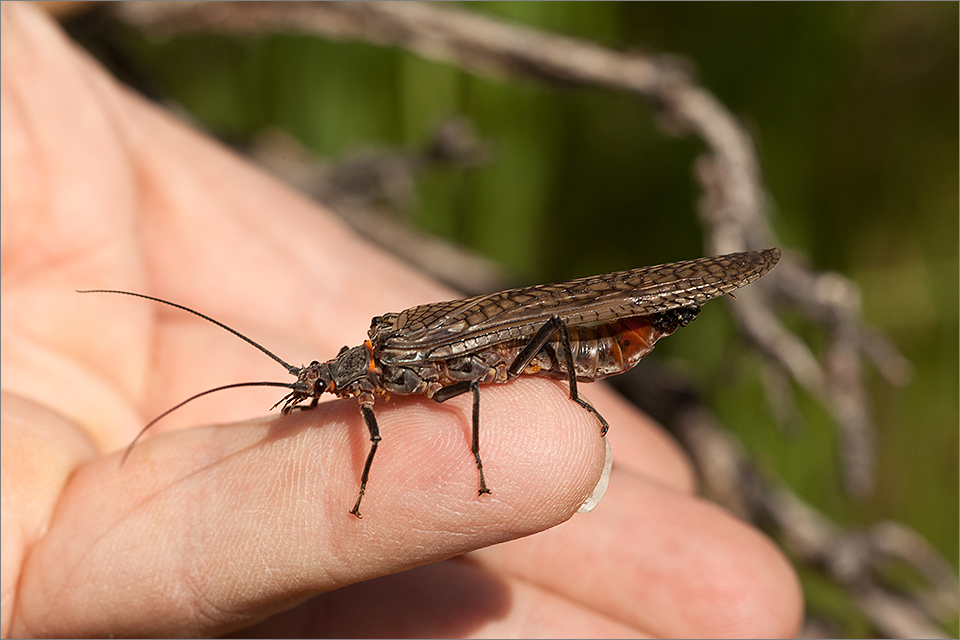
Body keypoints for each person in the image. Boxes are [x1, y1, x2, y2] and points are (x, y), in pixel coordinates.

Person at [0, 4, 802, 637]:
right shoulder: (370, 371)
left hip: (576, 333)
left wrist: (494, 452)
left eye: (319, 386)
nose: (317, 392)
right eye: (318, 388)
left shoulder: (398, 369)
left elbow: (476, 387)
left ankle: (597, 383)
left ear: (352, 377)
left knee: (544, 347)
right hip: (523, 334)